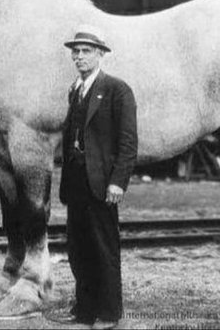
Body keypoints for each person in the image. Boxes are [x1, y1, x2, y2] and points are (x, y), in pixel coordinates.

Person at [59, 25, 138, 329]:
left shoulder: (117, 89)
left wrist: (118, 181)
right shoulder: (75, 90)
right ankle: (84, 310)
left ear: (101, 54)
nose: (79, 57)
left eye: (86, 51)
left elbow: (128, 143)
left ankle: (108, 314)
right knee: (78, 247)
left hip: (103, 182)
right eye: (75, 52)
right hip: (76, 180)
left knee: (104, 247)